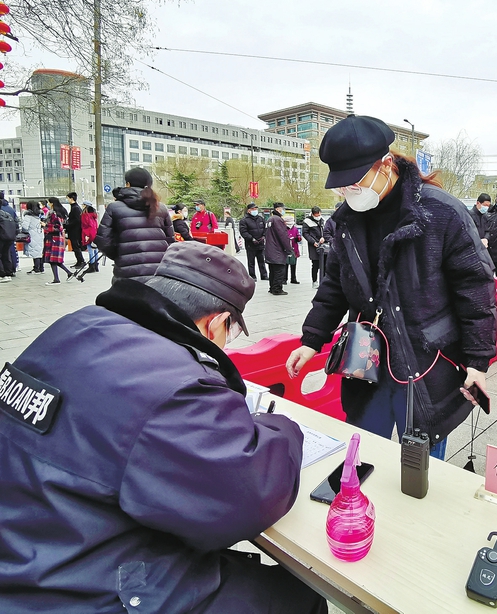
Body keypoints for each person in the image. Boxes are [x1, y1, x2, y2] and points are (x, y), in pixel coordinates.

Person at [0, 243, 327, 614]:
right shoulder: (172, 382)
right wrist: (282, 426)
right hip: (83, 588)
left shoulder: (74, 326)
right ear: (216, 323)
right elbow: (251, 496)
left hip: (28, 547)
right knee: (296, 597)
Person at [285, 115, 497, 459]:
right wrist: (312, 339)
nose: (349, 191)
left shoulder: (441, 212)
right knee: (366, 446)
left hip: (428, 354)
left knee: (421, 456)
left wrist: (477, 361)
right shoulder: (346, 220)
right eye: (342, 185)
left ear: (386, 165)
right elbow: (334, 287)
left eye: (355, 181)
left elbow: (476, 290)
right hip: (367, 353)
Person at [94, 167, 174, 283]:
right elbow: (170, 242)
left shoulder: (114, 207)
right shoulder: (161, 208)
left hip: (126, 274)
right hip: (156, 274)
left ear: (128, 184)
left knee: (127, 300)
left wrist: (121, 255)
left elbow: (103, 240)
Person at [264, 203, 294, 296]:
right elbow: (283, 236)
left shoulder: (270, 219)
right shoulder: (278, 220)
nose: (283, 210)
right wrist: (289, 250)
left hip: (270, 249)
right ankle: (277, 289)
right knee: (279, 271)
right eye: (282, 209)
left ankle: (272, 288)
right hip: (277, 250)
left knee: (272, 270)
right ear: (278, 209)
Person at [43, 197, 73, 285]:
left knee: (53, 260)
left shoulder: (54, 214)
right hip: (55, 238)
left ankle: (56, 279)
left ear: (52, 203)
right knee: (55, 260)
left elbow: (58, 227)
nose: (48, 204)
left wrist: (45, 225)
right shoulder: (56, 213)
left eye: (49, 202)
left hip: (54, 239)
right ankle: (68, 273)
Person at [238, 202, 268, 281]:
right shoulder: (244, 220)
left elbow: (265, 228)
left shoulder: (261, 219)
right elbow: (243, 232)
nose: (255, 210)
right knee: (251, 262)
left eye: (256, 209)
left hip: (260, 243)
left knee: (262, 260)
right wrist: (251, 239)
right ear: (248, 210)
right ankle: (252, 276)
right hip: (250, 244)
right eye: (253, 209)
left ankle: (264, 275)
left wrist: (264, 236)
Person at [302, 205, 326, 288]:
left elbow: (325, 230)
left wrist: (324, 237)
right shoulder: (307, 221)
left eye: (319, 215)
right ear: (312, 214)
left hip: (323, 244)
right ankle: (314, 281)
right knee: (315, 264)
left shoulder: (322, 220)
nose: (318, 217)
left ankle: (323, 280)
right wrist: (313, 242)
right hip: (313, 245)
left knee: (324, 263)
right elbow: (305, 233)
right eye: (317, 215)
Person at [21, 201, 44, 275]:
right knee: (39, 251)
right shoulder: (40, 214)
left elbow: (25, 227)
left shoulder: (28, 216)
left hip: (32, 234)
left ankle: (36, 269)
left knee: (35, 252)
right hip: (40, 233)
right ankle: (41, 268)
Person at [0, 192, 18, 281]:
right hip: (10, 237)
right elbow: (17, 222)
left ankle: (2, 274)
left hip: (1, 237)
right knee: (7, 255)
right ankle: (9, 272)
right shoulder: (8, 211)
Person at [65, 191, 86, 268]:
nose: (67, 200)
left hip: (75, 231)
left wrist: (68, 224)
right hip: (74, 231)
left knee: (76, 247)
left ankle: (81, 261)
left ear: (72, 198)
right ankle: (79, 261)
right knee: (75, 247)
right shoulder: (74, 207)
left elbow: (77, 220)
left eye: (68, 198)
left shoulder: (76, 208)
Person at [81, 201, 99, 272]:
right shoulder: (93, 215)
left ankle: (92, 266)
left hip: (88, 233)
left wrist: (87, 235)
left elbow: (86, 226)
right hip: (94, 232)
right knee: (95, 249)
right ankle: (96, 265)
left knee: (90, 250)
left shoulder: (85, 215)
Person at [284, 213, 302, 284]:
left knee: (293, 264)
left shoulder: (295, 228)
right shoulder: (283, 228)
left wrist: (298, 238)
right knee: (285, 264)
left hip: (294, 248)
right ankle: (284, 278)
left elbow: (299, 236)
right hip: (286, 249)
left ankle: (293, 278)